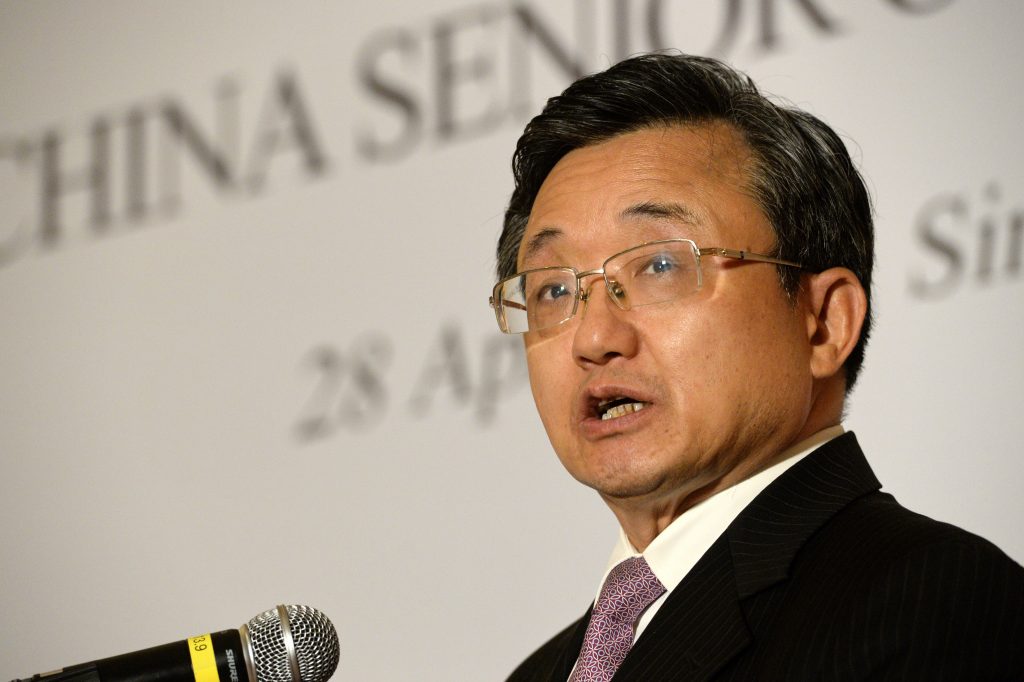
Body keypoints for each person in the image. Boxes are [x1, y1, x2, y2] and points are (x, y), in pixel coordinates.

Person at [489, 53, 1024, 681]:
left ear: (824, 321)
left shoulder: (933, 603)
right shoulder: (540, 674)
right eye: (553, 289)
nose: (594, 337)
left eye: (659, 265)